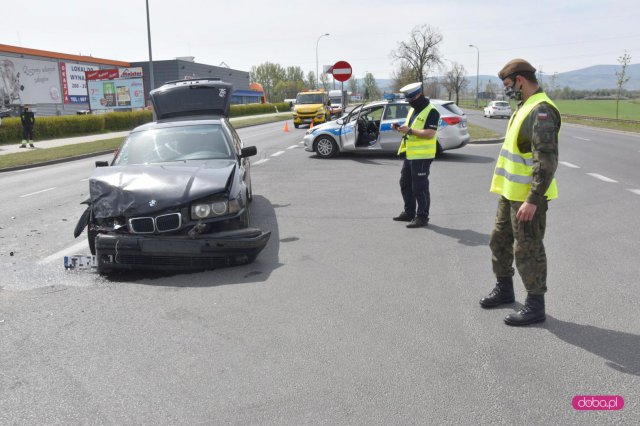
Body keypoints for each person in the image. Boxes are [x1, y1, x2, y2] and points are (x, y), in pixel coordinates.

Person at [479, 58, 561, 326]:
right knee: (499, 240)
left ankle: (535, 305)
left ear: (520, 81)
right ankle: (505, 290)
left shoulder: (541, 111)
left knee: (527, 249)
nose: (507, 90)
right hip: (510, 194)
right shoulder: (524, 107)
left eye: (508, 85)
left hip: (528, 198)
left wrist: (533, 200)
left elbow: (546, 162)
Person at [392, 82, 440, 228]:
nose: (410, 102)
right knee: (405, 184)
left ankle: (422, 217)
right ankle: (409, 212)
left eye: (411, 99)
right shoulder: (413, 110)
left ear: (419, 95)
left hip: (423, 156)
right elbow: (411, 129)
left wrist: (410, 131)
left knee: (420, 188)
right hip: (410, 155)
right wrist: (401, 129)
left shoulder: (432, 111)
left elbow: (430, 133)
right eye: (408, 100)